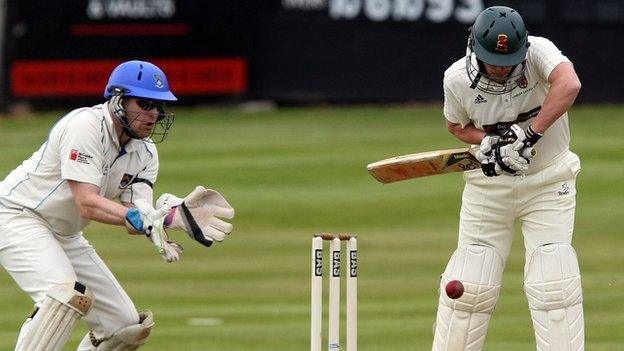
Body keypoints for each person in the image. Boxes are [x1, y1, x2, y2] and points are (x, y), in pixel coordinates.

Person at [0, 60, 235, 350]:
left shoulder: (146, 152)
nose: (153, 115)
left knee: (124, 327)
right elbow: (87, 203)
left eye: (159, 107)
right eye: (146, 103)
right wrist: (147, 221)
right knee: (64, 297)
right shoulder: (85, 126)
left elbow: (139, 215)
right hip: (18, 216)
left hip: (66, 233)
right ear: (119, 99)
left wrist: (172, 217)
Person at [433, 6, 583, 350]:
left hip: (549, 180)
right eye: (493, 61)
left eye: (508, 60)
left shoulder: (539, 52)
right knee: (470, 286)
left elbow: (569, 83)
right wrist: (488, 142)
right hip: (489, 186)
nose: (501, 68)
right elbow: (456, 126)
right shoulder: (456, 79)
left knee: (554, 282)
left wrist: (529, 135)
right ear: (474, 49)